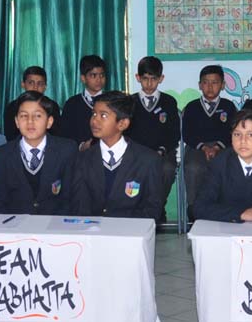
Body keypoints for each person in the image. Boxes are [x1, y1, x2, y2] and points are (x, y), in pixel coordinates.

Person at [70, 91, 164, 220]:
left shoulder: (148, 160)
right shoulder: (83, 159)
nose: (94, 120)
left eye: (103, 115)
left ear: (122, 124)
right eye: (94, 114)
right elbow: (79, 207)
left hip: (132, 230)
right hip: (93, 230)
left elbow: (153, 209)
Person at [194, 108, 252, 223]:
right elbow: (200, 207)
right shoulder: (220, 162)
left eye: (251, 135)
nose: (243, 140)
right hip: (226, 227)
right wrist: (241, 214)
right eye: (237, 134)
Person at [0, 91, 75, 215]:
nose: (30, 121)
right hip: (14, 225)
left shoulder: (66, 150)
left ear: (49, 122)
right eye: (24, 116)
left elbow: (70, 200)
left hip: (55, 223)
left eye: (37, 116)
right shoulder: (2, 155)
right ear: (17, 122)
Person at [181, 64, 238, 220]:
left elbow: (233, 131)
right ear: (200, 85)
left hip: (224, 147)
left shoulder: (229, 106)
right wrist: (204, 147)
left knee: (228, 166)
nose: (210, 87)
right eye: (206, 82)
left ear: (223, 85)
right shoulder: (192, 107)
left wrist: (218, 146)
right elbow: (187, 133)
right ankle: (193, 209)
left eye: (215, 82)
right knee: (193, 168)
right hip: (197, 147)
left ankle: (226, 209)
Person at [128, 56, 181, 222]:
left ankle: (157, 207)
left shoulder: (169, 102)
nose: (149, 83)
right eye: (145, 79)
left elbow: (174, 133)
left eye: (154, 79)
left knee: (167, 169)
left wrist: (162, 150)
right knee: (131, 170)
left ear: (161, 78)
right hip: (136, 154)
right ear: (138, 78)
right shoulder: (130, 102)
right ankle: (140, 208)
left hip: (163, 152)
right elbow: (125, 132)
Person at [61, 55, 108, 151]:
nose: (99, 80)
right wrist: (81, 146)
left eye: (102, 75)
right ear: (83, 78)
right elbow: (65, 134)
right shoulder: (72, 104)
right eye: (93, 75)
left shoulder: (111, 101)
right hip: (79, 155)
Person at [2, 66, 59, 141]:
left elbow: (56, 134)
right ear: (23, 84)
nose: (35, 87)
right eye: (31, 83)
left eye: (40, 84)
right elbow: (10, 135)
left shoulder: (52, 106)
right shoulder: (13, 107)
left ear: (45, 87)